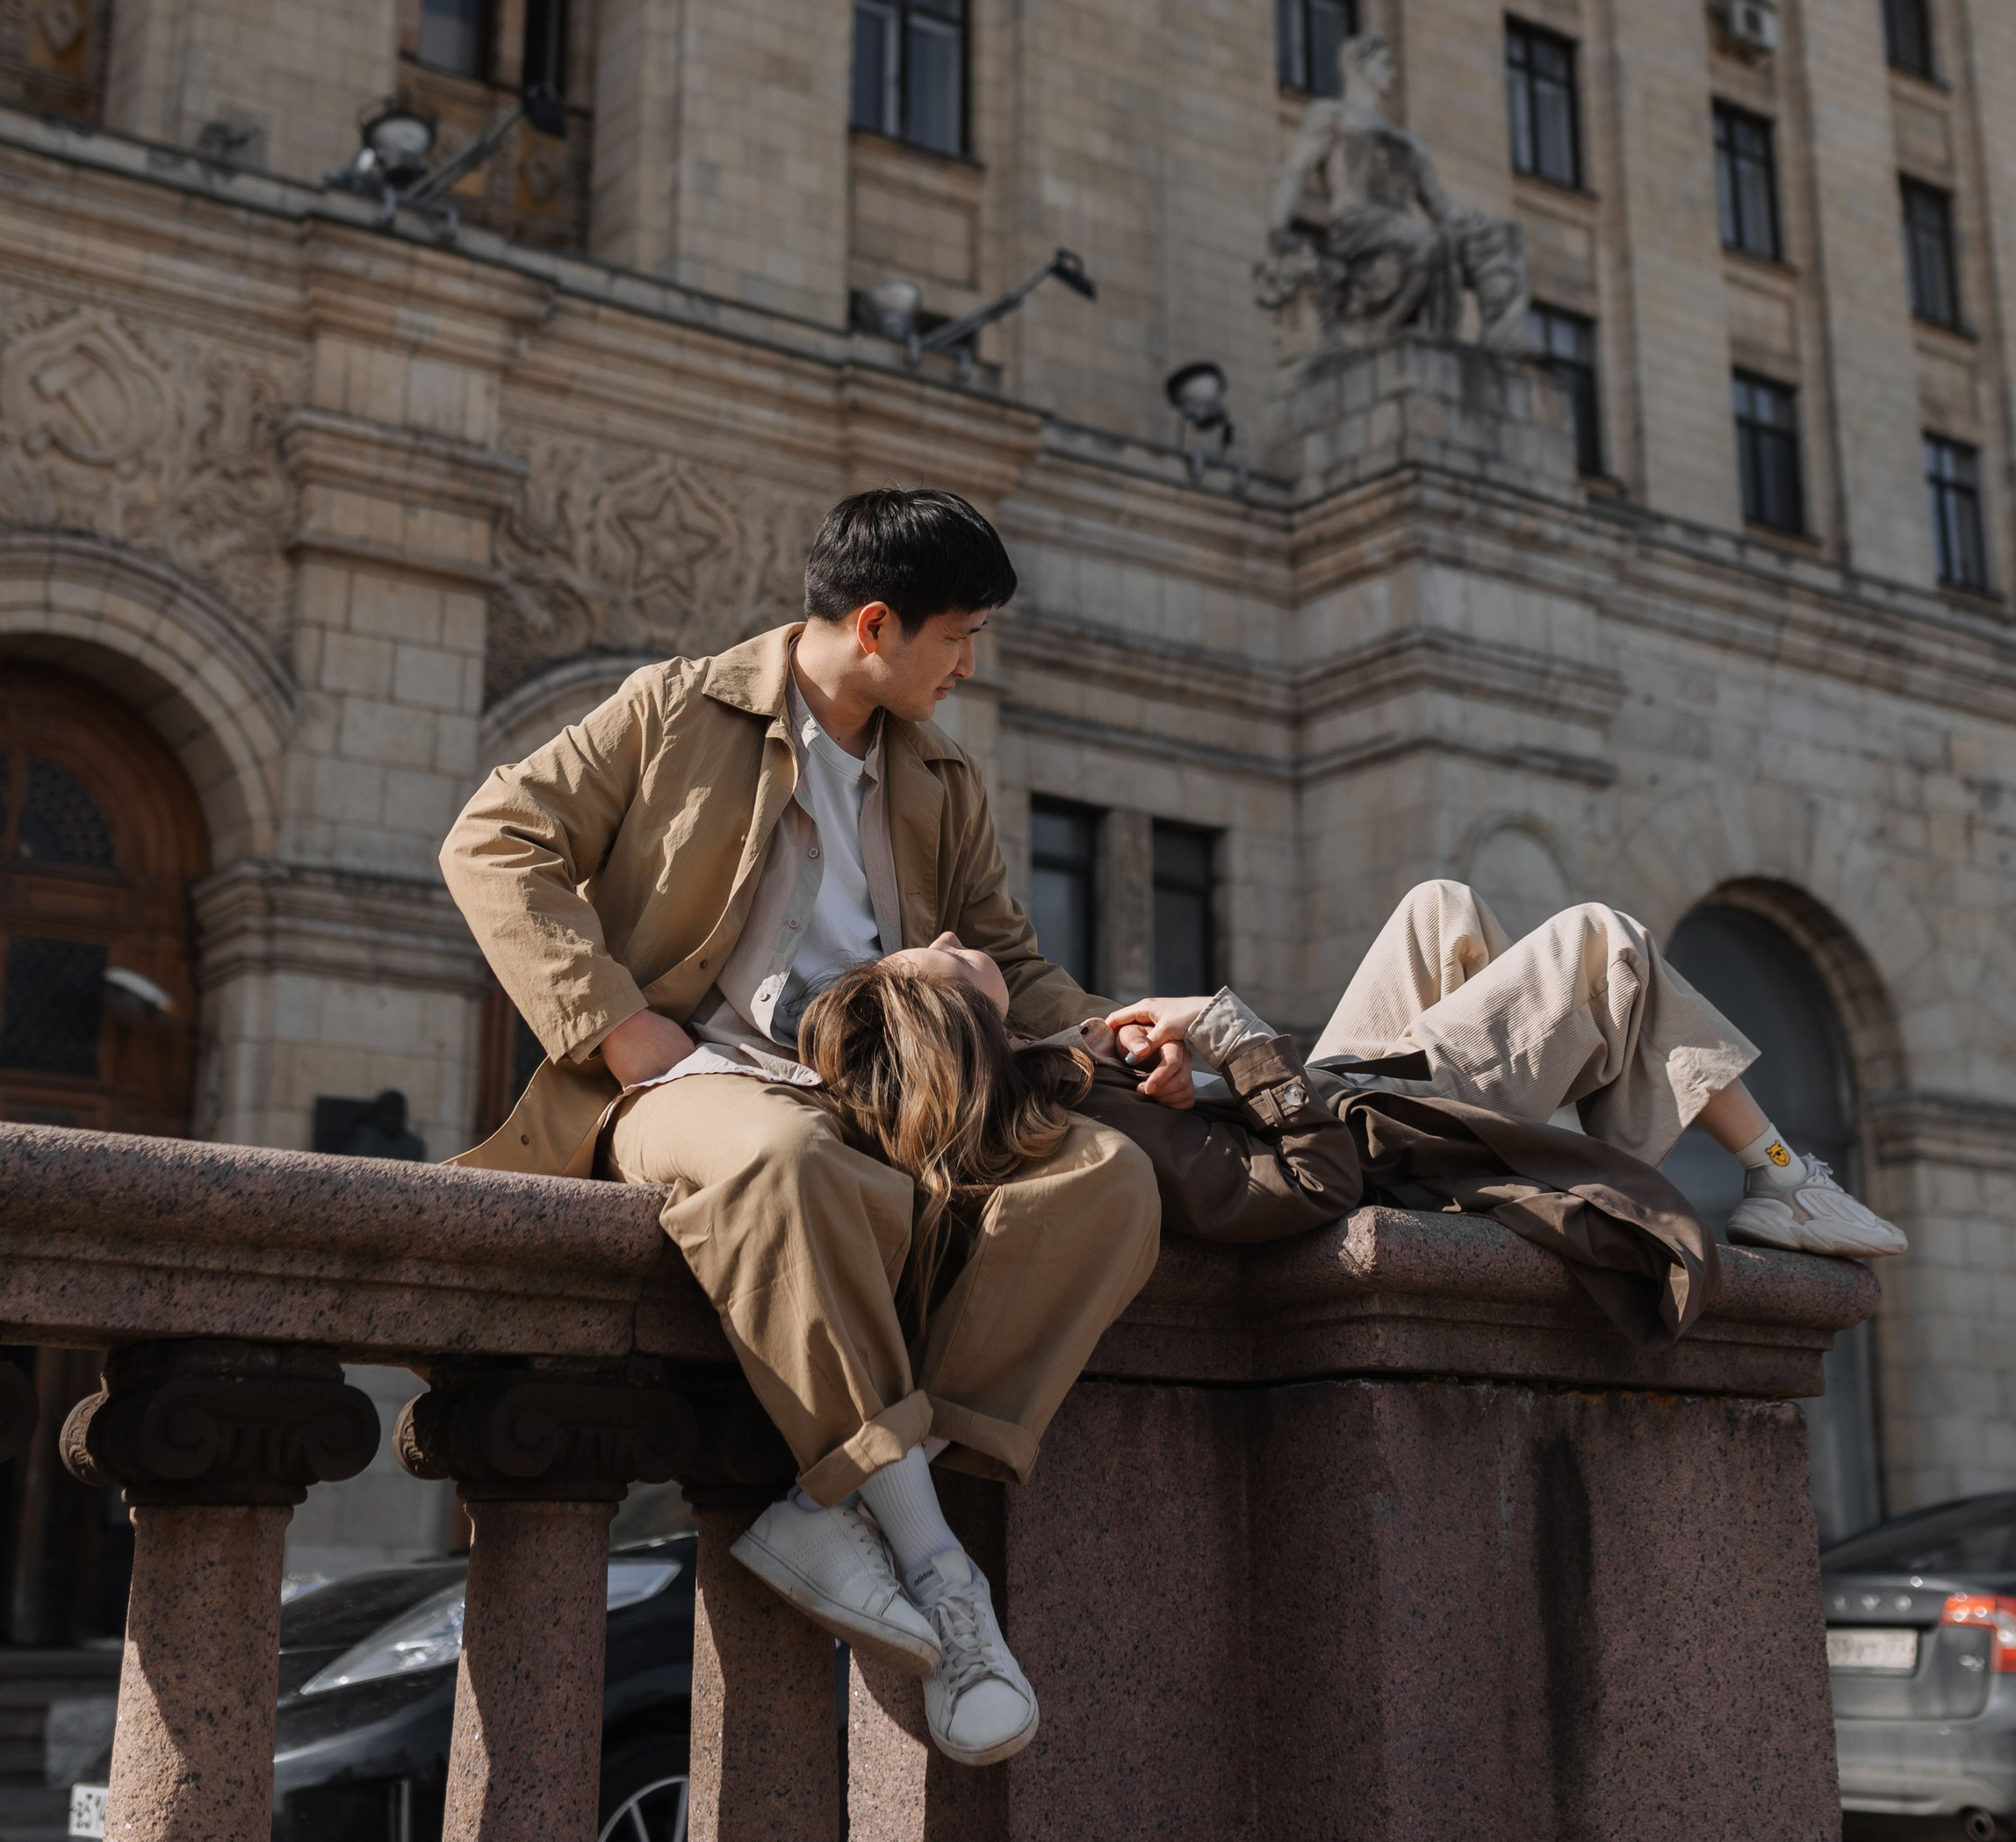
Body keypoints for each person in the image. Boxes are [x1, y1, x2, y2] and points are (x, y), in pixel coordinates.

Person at [440, 488, 1170, 1771]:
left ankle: (844, 1498)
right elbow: (496, 841)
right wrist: (620, 1028)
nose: (969, 661)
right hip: (687, 1092)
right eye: (959, 634)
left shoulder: (940, 774)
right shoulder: (677, 708)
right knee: (787, 1165)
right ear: (877, 624)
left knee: (1104, 1178)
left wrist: (1113, 1033)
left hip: (897, 1099)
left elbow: (1012, 962)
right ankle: (943, 1572)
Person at [1104, 877, 1907, 1265]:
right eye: (969, 965)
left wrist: (1189, 1074)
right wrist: (1220, 1030)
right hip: (1363, 1141)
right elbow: (1298, 1174)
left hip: (1310, 1107)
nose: (970, 955)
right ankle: (1783, 1180)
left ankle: (1532, 1138)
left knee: (1439, 907)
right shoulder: (1072, 1112)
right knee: (1602, 941)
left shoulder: (1066, 1071)